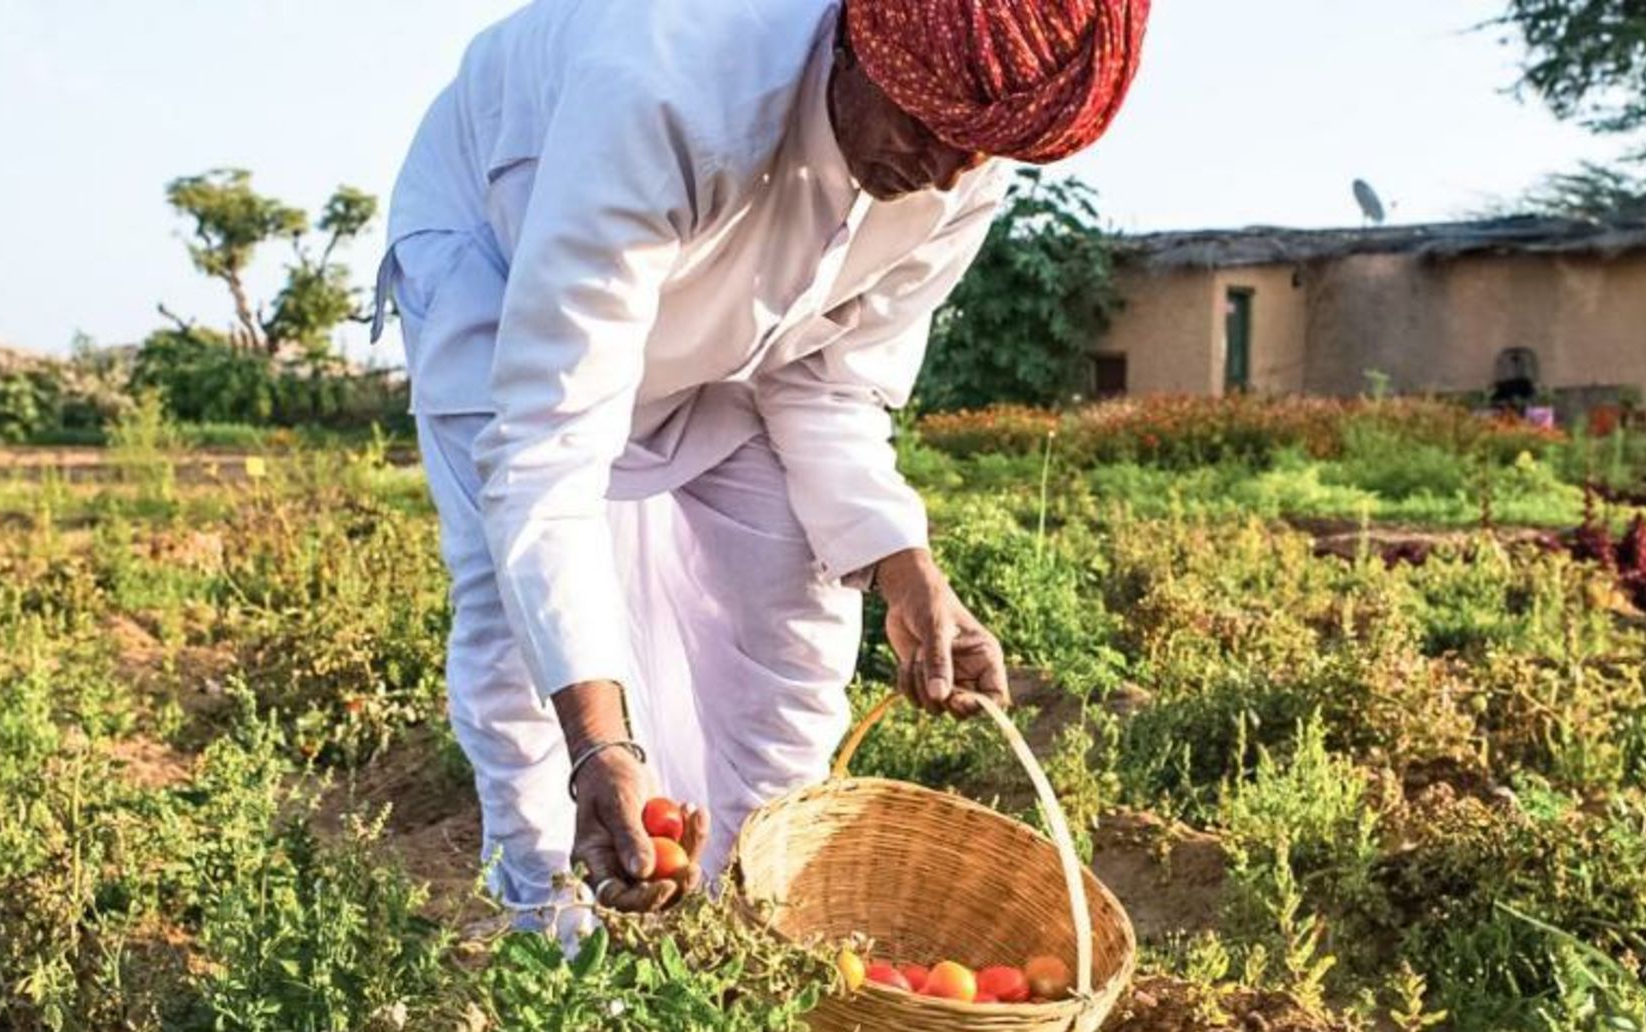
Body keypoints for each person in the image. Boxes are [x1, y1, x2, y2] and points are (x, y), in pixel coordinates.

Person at [371, 0, 1149, 930]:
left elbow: (832, 387)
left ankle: (752, 917)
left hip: (732, 332)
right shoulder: (667, 92)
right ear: (866, 46)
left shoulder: (957, 173)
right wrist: (601, 745)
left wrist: (909, 571)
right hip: (499, 262)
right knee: (513, 621)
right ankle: (551, 929)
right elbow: (549, 448)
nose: (944, 167)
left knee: (801, 597)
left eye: (979, 149)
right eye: (927, 126)